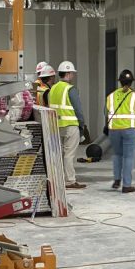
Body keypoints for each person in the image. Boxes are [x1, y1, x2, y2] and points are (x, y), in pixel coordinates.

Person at [48, 61, 90, 190]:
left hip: (55, 125)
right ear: (68, 73)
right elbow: (78, 110)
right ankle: (70, 180)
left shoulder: (53, 88)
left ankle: (58, 179)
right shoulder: (70, 89)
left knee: (58, 154)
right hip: (70, 125)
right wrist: (82, 125)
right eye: (72, 73)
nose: (73, 76)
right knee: (69, 154)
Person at [105, 69, 135, 193]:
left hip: (114, 130)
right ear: (131, 82)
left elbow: (105, 112)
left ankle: (117, 180)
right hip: (130, 130)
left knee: (117, 155)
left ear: (120, 82)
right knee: (128, 157)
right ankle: (126, 185)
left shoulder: (111, 96)